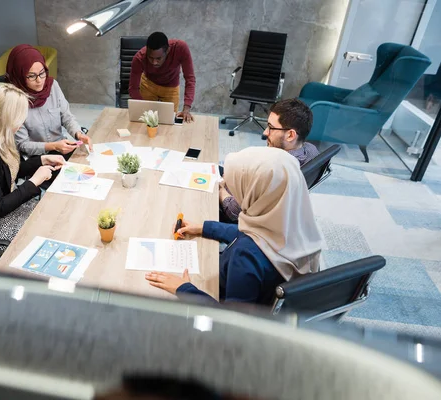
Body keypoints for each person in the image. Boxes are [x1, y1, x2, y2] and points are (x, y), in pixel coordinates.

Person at [145, 147, 322, 304]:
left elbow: (230, 321)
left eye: (236, 185)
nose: (228, 187)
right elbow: (249, 232)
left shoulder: (245, 257)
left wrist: (183, 288)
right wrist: (204, 227)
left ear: (254, 191)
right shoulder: (294, 221)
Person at [0, 82, 66, 257]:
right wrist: (35, 181)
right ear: (3, 118)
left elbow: (9, 171)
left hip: (8, 209)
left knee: (59, 217)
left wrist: (42, 159)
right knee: (52, 239)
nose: (22, 121)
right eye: (19, 116)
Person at [220, 98, 320, 223]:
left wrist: (220, 188)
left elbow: (233, 212)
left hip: (237, 214)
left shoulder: (272, 171)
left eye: (271, 128)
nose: (265, 132)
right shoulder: (312, 151)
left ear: (290, 135)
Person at [6, 44, 92, 158]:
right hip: (36, 158)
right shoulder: (13, 100)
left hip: (61, 149)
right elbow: (23, 144)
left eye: (42, 73)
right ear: (20, 76)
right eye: (31, 76)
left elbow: (66, 116)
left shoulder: (52, 86)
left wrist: (79, 134)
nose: (39, 80)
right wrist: (53, 146)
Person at [129, 32, 196, 123]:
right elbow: (133, 88)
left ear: (167, 51)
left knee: (169, 121)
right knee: (146, 121)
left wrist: (186, 108)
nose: (154, 62)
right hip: (148, 85)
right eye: (150, 58)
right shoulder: (139, 58)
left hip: (171, 87)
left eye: (158, 58)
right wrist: (142, 107)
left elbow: (190, 79)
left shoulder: (180, 48)